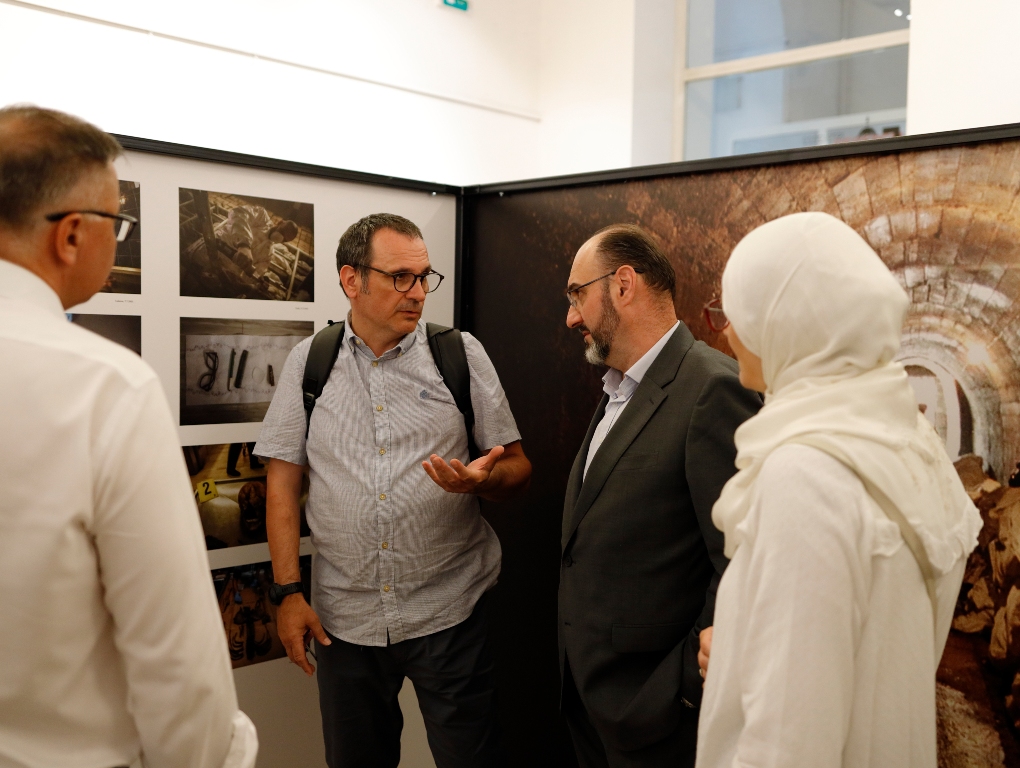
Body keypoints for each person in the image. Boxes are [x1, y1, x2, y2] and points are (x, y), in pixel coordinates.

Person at [0, 105, 257, 767]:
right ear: (71, 235)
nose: (119, 240)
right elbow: (176, 661)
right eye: (118, 223)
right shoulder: (105, 387)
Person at [695, 212, 981, 767]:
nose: (725, 331)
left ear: (788, 320)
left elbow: (788, 746)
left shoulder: (806, 475)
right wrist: (745, 648)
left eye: (736, 313)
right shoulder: (905, 439)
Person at [254, 213, 532, 768]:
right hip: (344, 622)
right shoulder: (310, 363)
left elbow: (518, 467)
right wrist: (287, 594)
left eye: (425, 277)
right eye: (401, 277)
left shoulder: (460, 355)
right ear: (351, 280)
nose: (419, 293)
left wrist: (485, 480)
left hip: (449, 610)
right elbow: (282, 483)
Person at [559, 224, 761, 768]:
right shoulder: (617, 389)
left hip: (658, 720)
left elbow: (741, 559)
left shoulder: (712, 388)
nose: (571, 317)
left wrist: (682, 691)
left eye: (577, 295)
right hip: (592, 706)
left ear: (623, 284)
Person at [215, 204, 298, 278]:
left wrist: (254, 275)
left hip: (225, 271)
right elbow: (239, 213)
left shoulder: (268, 254)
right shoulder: (262, 217)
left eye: (284, 239)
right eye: (282, 232)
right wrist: (244, 245)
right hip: (216, 246)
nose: (280, 237)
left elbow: (257, 273)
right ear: (280, 222)